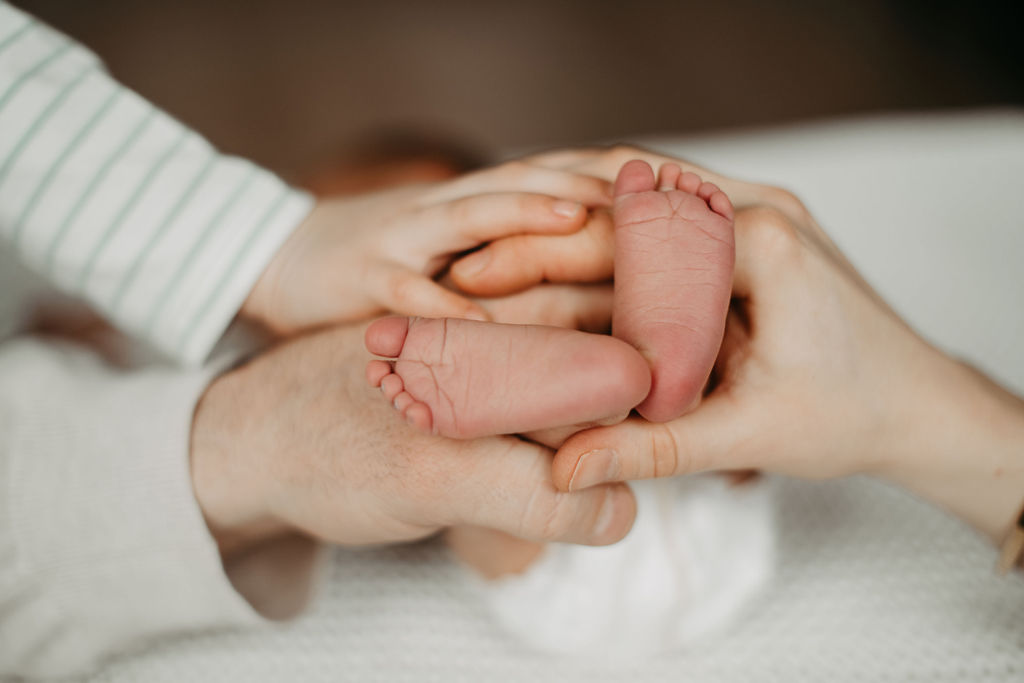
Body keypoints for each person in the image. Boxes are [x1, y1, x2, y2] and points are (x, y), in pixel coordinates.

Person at [363, 159, 735, 437]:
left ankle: (594, 399)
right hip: (713, 499)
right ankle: (674, 384)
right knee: (715, 426)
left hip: (554, 505)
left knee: (495, 468)